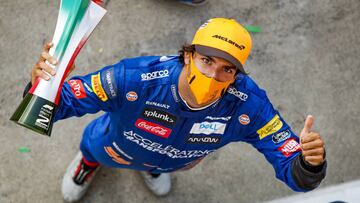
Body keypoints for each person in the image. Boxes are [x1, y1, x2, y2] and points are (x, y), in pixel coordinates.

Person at [28, 18, 326, 202]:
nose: (212, 75)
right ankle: (88, 165)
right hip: (111, 145)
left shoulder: (250, 107)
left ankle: (152, 169)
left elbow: (295, 174)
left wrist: (310, 164)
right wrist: (41, 86)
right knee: (93, 149)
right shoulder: (131, 78)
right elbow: (51, 109)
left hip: (173, 162)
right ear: (187, 55)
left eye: (227, 69)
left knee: (159, 164)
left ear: (238, 75)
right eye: (206, 61)